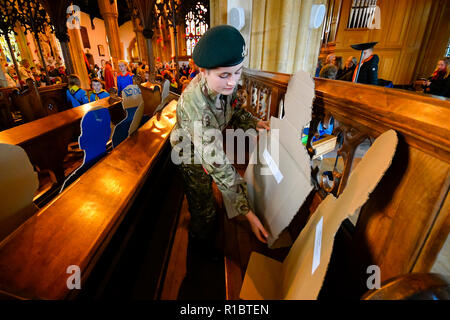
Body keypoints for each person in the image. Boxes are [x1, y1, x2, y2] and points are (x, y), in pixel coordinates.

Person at [170, 25, 269, 260]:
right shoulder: (194, 103)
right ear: (203, 72)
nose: (232, 82)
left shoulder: (225, 86)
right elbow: (216, 163)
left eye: (238, 72)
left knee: (214, 194)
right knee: (203, 206)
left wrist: (254, 123)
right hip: (189, 153)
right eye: (224, 75)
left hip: (207, 142)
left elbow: (235, 110)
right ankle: (200, 252)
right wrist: (248, 213)